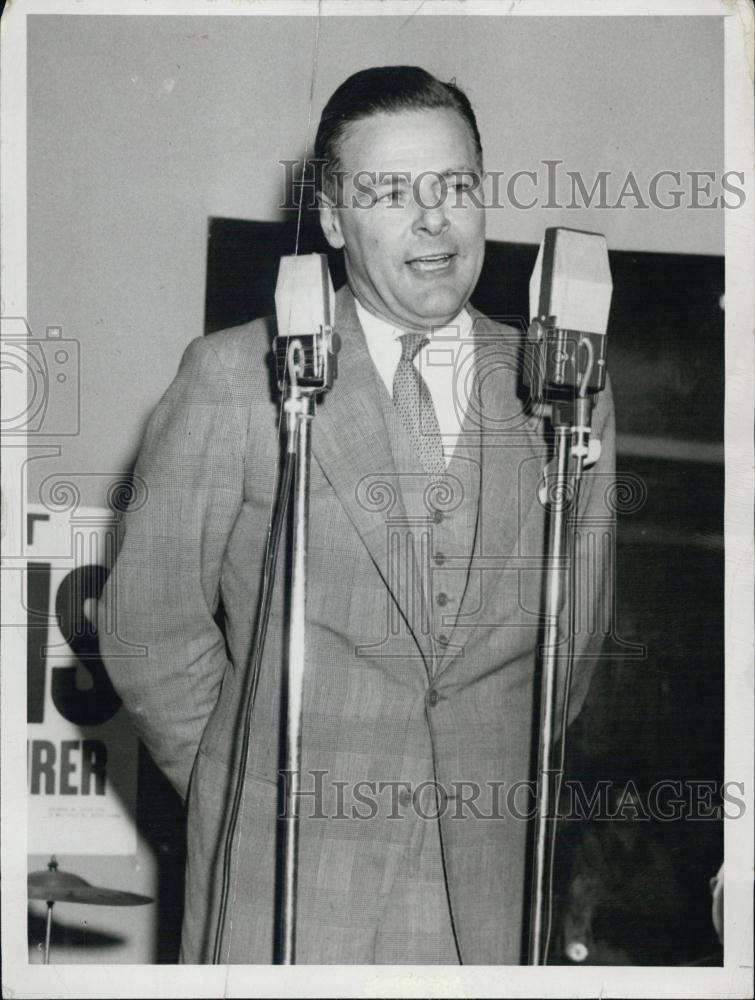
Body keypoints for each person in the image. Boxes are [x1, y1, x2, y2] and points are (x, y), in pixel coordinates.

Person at [99, 65, 616, 965]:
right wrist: (243, 785)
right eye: (388, 192)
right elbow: (147, 626)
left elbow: (573, 644)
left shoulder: (567, 388)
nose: (432, 219)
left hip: (488, 897)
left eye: (454, 186)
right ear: (333, 220)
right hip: (285, 886)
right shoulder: (235, 377)